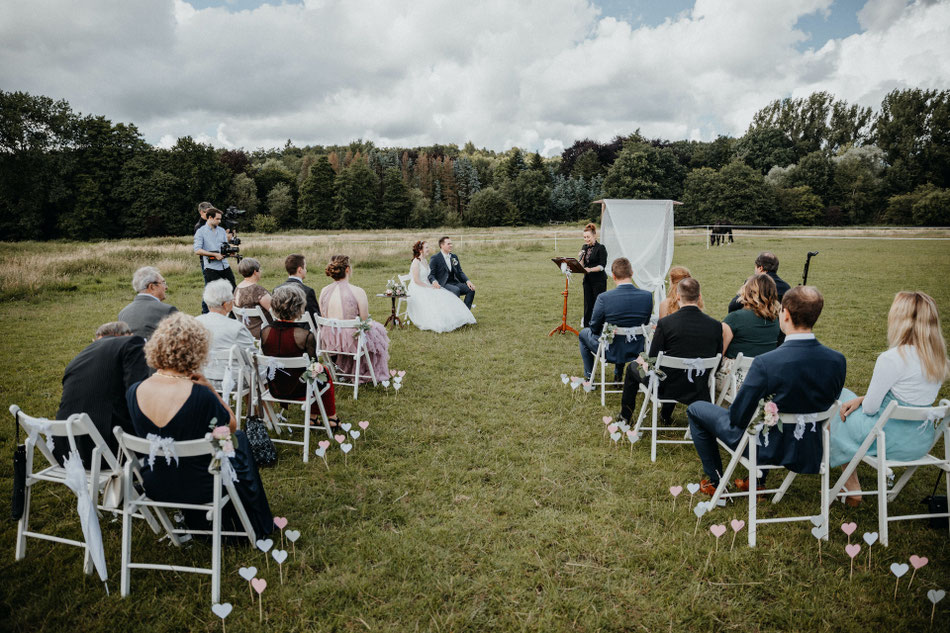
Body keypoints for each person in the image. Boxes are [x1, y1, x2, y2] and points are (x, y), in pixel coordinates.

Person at [687, 286, 847, 495]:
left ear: (786, 315)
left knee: (697, 409)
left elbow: (737, 417)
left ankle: (715, 481)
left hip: (763, 447)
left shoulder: (767, 363)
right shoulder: (837, 361)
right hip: (809, 448)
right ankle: (755, 482)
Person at [126, 312, 273, 539]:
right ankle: (254, 521)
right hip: (203, 484)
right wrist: (211, 390)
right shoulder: (200, 395)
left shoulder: (134, 391)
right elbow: (230, 426)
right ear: (198, 350)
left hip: (156, 484)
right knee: (238, 440)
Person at [830, 291, 949, 505]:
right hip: (920, 442)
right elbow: (908, 396)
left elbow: (870, 409)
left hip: (888, 439)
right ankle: (850, 484)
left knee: (839, 399)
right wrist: (862, 398)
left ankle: (851, 484)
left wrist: (861, 400)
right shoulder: (939, 360)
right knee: (851, 400)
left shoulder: (893, 358)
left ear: (900, 320)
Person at [619, 277, 722, 424]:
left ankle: (625, 416)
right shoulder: (715, 325)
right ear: (699, 297)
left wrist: (642, 360)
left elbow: (652, 360)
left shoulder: (666, 323)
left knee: (632, 368)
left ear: (678, 296)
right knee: (672, 370)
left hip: (664, 386)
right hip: (698, 387)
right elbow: (717, 360)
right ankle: (665, 416)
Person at [52, 321, 150, 467]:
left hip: (66, 451)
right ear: (125, 334)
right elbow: (137, 395)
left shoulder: (77, 358)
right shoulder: (131, 342)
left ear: (98, 337)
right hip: (108, 450)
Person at [260, 285, 338, 427]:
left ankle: (313, 418)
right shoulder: (305, 336)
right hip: (300, 388)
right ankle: (331, 418)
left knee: (316, 372)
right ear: (299, 308)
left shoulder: (265, 332)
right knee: (322, 370)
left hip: (275, 386)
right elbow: (313, 367)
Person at [578, 257, 653, 381]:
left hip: (610, 351)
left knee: (583, 334)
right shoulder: (647, 296)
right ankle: (618, 374)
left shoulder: (604, 298)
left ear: (613, 276)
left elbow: (594, 327)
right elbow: (644, 324)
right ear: (632, 273)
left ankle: (589, 377)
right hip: (637, 349)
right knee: (622, 332)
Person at [318, 255, 390, 382]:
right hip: (351, 339)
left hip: (330, 339)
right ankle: (364, 369)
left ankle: (343, 368)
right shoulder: (358, 291)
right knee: (377, 330)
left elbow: (324, 317)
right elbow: (364, 319)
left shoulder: (324, 291)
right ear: (347, 269)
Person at [715, 274, 782, 394]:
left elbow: (719, 352)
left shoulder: (735, 318)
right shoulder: (775, 320)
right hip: (764, 379)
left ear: (748, 292)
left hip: (735, 380)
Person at [406, 240, 477, 333]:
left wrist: (432, 284)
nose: (428, 249)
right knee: (439, 296)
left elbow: (429, 276)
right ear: (420, 250)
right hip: (418, 287)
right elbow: (416, 280)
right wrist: (429, 287)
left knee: (443, 294)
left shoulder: (424, 261)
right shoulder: (416, 262)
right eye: (426, 247)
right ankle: (442, 319)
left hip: (427, 285)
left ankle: (460, 317)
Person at [195, 279, 256, 381]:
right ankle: (254, 397)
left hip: (202, 377)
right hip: (232, 379)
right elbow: (251, 357)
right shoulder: (236, 327)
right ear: (225, 304)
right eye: (231, 299)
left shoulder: (195, 322)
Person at [193, 206, 236, 313]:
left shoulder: (221, 231)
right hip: (211, 267)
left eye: (220, 219)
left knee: (233, 289)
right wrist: (213, 254)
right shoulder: (201, 231)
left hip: (224, 265)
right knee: (213, 294)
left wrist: (230, 251)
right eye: (217, 219)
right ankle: (208, 314)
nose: (219, 221)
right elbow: (197, 250)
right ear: (210, 218)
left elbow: (224, 245)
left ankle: (233, 314)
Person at [117, 266, 178, 339]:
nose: (166, 287)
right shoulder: (167, 310)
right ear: (152, 287)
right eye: (163, 283)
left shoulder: (123, 313)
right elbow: (180, 339)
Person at [427, 236, 475, 309]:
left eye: (451, 244)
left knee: (471, 289)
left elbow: (459, 271)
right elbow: (431, 274)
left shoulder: (454, 256)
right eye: (448, 244)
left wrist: (467, 281)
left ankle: (465, 312)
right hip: (443, 283)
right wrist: (434, 281)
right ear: (442, 245)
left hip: (454, 282)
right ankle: (456, 313)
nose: (451, 245)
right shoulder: (435, 258)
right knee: (456, 290)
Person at [233, 257, 273, 338]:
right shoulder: (257, 290)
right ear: (255, 272)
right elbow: (274, 310)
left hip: (246, 330)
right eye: (259, 269)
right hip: (263, 330)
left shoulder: (238, 288)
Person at [577, 223, 607, 327]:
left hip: (599, 281)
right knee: (588, 304)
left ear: (594, 236)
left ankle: (599, 326)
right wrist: (581, 257)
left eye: (588, 237)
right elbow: (582, 266)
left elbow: (602, 266)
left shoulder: (601, 248)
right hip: (587, 280)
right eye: (584, 237)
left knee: (598, 304)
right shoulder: (584, 247)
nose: (586, 239)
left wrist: (590, 269)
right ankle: (587, 326)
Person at [275, 253, 320, 321]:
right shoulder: (308, 291)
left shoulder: (277, 290)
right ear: (300, 269)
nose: (306, 270)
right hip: (302, 330)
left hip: (282, 329)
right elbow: (315, 318)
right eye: (305, 267)